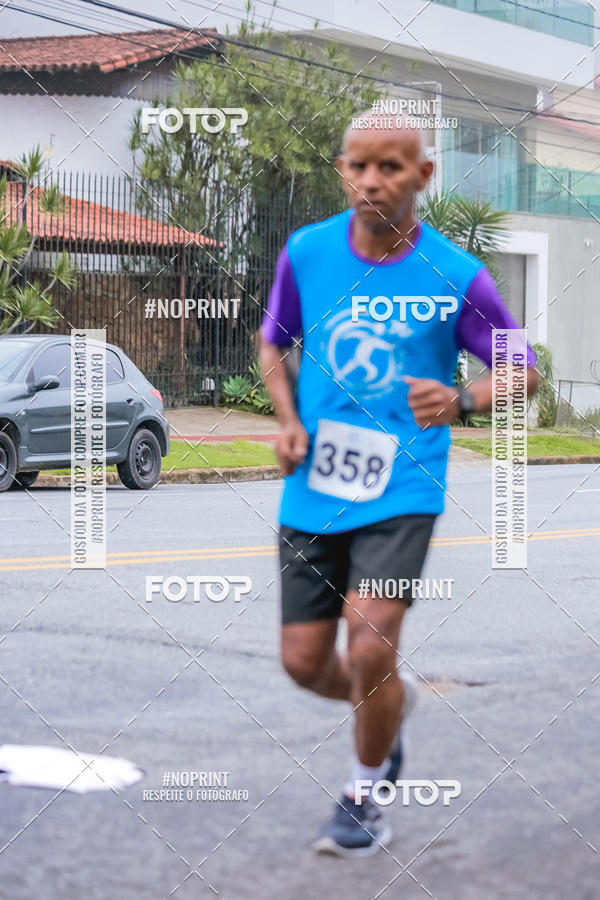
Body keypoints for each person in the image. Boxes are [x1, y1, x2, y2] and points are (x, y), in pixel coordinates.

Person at [260, 110, 539, 857]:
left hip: (403, 487)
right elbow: (273, 342)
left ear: (423, 174)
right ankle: (392, 707)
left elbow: (523, 368)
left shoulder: (457, 273)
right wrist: (287, 419)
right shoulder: (307, 252)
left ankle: (363, 795)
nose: (371, 181)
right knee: (303, 663)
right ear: (342, 170)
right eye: (358, 165)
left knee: (370, 641)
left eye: (390, 166)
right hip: (316, 484)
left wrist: (464, 399)